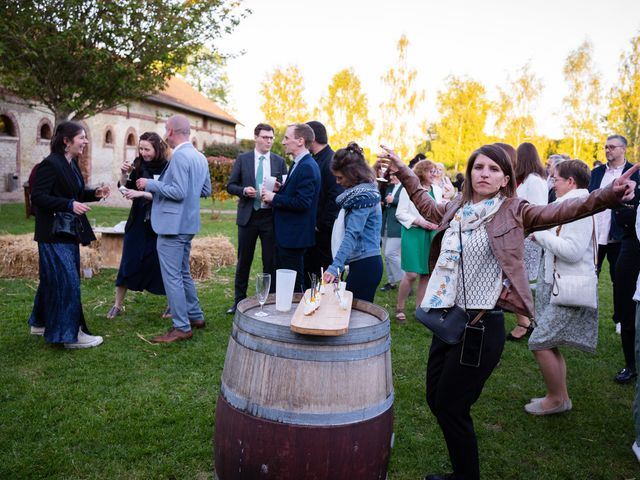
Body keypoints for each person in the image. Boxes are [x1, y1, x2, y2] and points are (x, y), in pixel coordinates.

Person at [380, 142, 638, 480]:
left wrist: (608, 196)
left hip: (480, 327)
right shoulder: (457, 207)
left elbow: (563, 212)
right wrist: (403, 170)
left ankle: (466, 477)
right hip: (449, 320)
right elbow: (427, 206)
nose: (484, 173)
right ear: (470, 173)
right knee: (436, 399)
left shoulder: (516, 211)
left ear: (506, 179)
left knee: (451, 407)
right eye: (478, 167)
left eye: (493, 169)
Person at [525, 160, 598, 415]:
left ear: (571, 182)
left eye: (555, 179)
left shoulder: (578, 207)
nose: (551, 184)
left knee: (540, 342)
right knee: (549, 340)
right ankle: (560, 396)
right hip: (553, 283)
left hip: (566, 286)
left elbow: (572, 251)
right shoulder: (566, 205)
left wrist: (539, 234)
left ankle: (556, 400)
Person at [28, 121, 109, 349]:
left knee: (55, 280)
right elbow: (38, 197)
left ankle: (39, 322)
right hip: (53, 234)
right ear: (66, 141)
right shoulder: (50, 164)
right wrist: (68, 204)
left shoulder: (71, 163)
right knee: (68, 282)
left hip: (67, 233)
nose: (85, 141)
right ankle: (70, 335)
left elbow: (75, 193)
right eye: (81, 137)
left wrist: (94, 193)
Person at [136, 114, 211, 343]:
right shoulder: (199, 157)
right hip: (188, 224)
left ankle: (181, 326)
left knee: (172, 277)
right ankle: (195, 316)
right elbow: (205, 190)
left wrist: (151, 184)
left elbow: (178, 191)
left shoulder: (179, 157)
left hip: (172, 226)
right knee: (183, 272)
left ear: (170, 132)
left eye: (165, 129)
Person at [589, 134, 639, 382]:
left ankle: (621, 320)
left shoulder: (634, 172)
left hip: (620, 235)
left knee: (619, 281)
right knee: (591, 276)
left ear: (623, 149)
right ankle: (586, 318)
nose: (607, 150)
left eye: (612, 147)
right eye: (605, 147)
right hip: (596, 231)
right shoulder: (597, 173)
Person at [106, 132, 169, 319]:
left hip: (159, 223)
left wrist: (141, 194)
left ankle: (172, 304)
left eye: (147, 149)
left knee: (162, 264)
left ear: (157, 148)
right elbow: (124, 188)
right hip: (137, 221)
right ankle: (117, 305)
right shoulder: (138, 163)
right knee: (128, 261)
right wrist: (124, 174)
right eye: (140, 148)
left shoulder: (168, 166)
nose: (143, 153)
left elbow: (166, 195)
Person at [225, 123, 287, 315]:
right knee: (244, 260)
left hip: (270, 217)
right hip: (248, 217)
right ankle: (238, 301)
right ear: (256, 137)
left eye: (271, 138)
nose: (268, 141)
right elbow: (230, 185)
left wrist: (277, 189)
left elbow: (285, 189)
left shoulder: (279, 161)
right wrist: (244, 190)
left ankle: (270, 301)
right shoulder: (243, 159)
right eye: (265, 137)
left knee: (270, 261)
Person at [261, 123, 321, 293]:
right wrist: (282, 189)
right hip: (288, 235)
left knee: (294, 282)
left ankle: (296, 316)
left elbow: (303, 203)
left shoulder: (307, 166)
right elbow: (297, 194)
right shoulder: (298, 163)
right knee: (286, 280)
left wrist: (274, 197)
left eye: (287, 138)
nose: (283, 142)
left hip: (294, 236)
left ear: (300, 141)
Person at [321, 143, 382, 302]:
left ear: (352, 174)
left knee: (355, 319)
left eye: (340, 177)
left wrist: (335, 267)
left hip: (366, 265)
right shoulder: (360, 194)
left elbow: (352, 233)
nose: (337, 182)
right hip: (360, 264)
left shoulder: (364, 196)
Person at [507, 142, 548, 341]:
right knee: (514, 280)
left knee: (517, 280)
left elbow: (538, 209)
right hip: (517, 236)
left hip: (528, 237)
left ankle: (526, 322)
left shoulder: (534, 180)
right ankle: (525, 321)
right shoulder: (525, 180)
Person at [394, 160, 441, 323]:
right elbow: (400, 213)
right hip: (413, 233)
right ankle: (400, 307)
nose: (434, 174)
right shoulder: (409, 189)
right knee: (411, 274)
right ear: (421, 172)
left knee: (426, 274)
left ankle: (419, 309)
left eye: (435, 171)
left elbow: (439, 210)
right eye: (431, 171)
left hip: (431, 235)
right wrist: (419, 221)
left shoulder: (437, 190)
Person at [303, 121, 343, 289]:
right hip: (316, 229)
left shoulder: (330, 161)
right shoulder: (316, 159)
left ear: (313, 138)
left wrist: (320, 224)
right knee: (312, 271)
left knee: (324, 272)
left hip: (325, 231)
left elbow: (336, 196)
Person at [379, 173, 404, 292]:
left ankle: (405, 280)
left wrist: (394, 200)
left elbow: (408, 202)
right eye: (391, 175)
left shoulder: (406, 188)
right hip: (385, 224)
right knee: (386, 256)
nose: (392, 177)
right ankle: (391, 282)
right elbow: (385, 201)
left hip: (397, 225)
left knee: (390, 253)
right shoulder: (389, 187)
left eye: (395, 175)